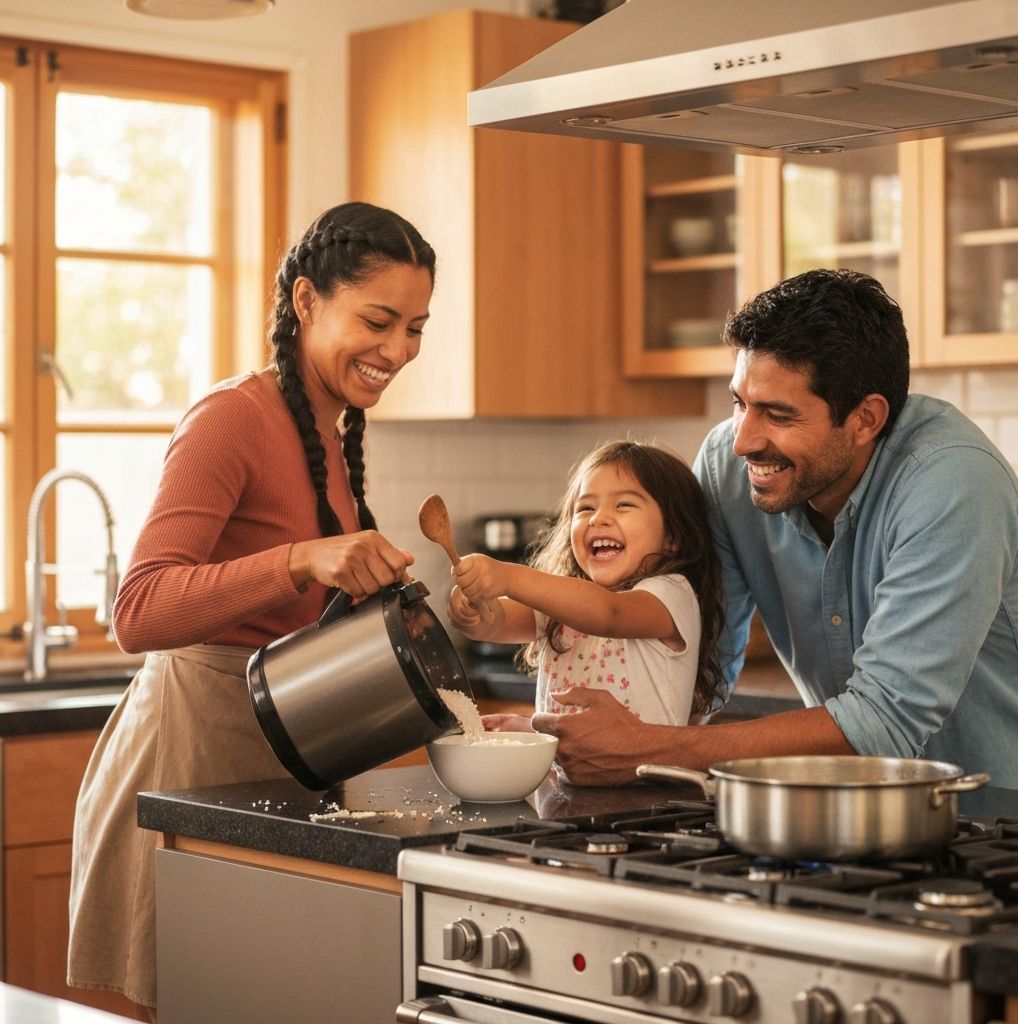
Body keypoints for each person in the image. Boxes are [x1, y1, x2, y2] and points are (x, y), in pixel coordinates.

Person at [67, 201, 436, 1019]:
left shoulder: (329, 432)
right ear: (307, 301)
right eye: (378, 321)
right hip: (191, 760)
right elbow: (139, 612)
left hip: (278, 760)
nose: (397, 350)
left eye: (414, 328)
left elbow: (292, 613)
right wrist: (302, 558)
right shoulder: (233, 417)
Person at [533, 269, 1018, 790]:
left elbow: (884, 721)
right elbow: (697, 655)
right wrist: (577, 733)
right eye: (740, 403)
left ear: (865, 419)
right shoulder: (728, 467)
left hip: (998, 810)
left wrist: (647, 747)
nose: (742, 440)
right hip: (843, 805)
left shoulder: (952, 482)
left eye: (778, 415)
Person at [448, 440, 726, 728]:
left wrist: (508, 577)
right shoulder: (564, 602)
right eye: (585, 508)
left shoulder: (670, 594)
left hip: (646, 761)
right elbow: (498, 621)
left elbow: (609, 614)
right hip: (566, 761)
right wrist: (476, 609)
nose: (598, 518)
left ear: (673, 535)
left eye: (624, 505)